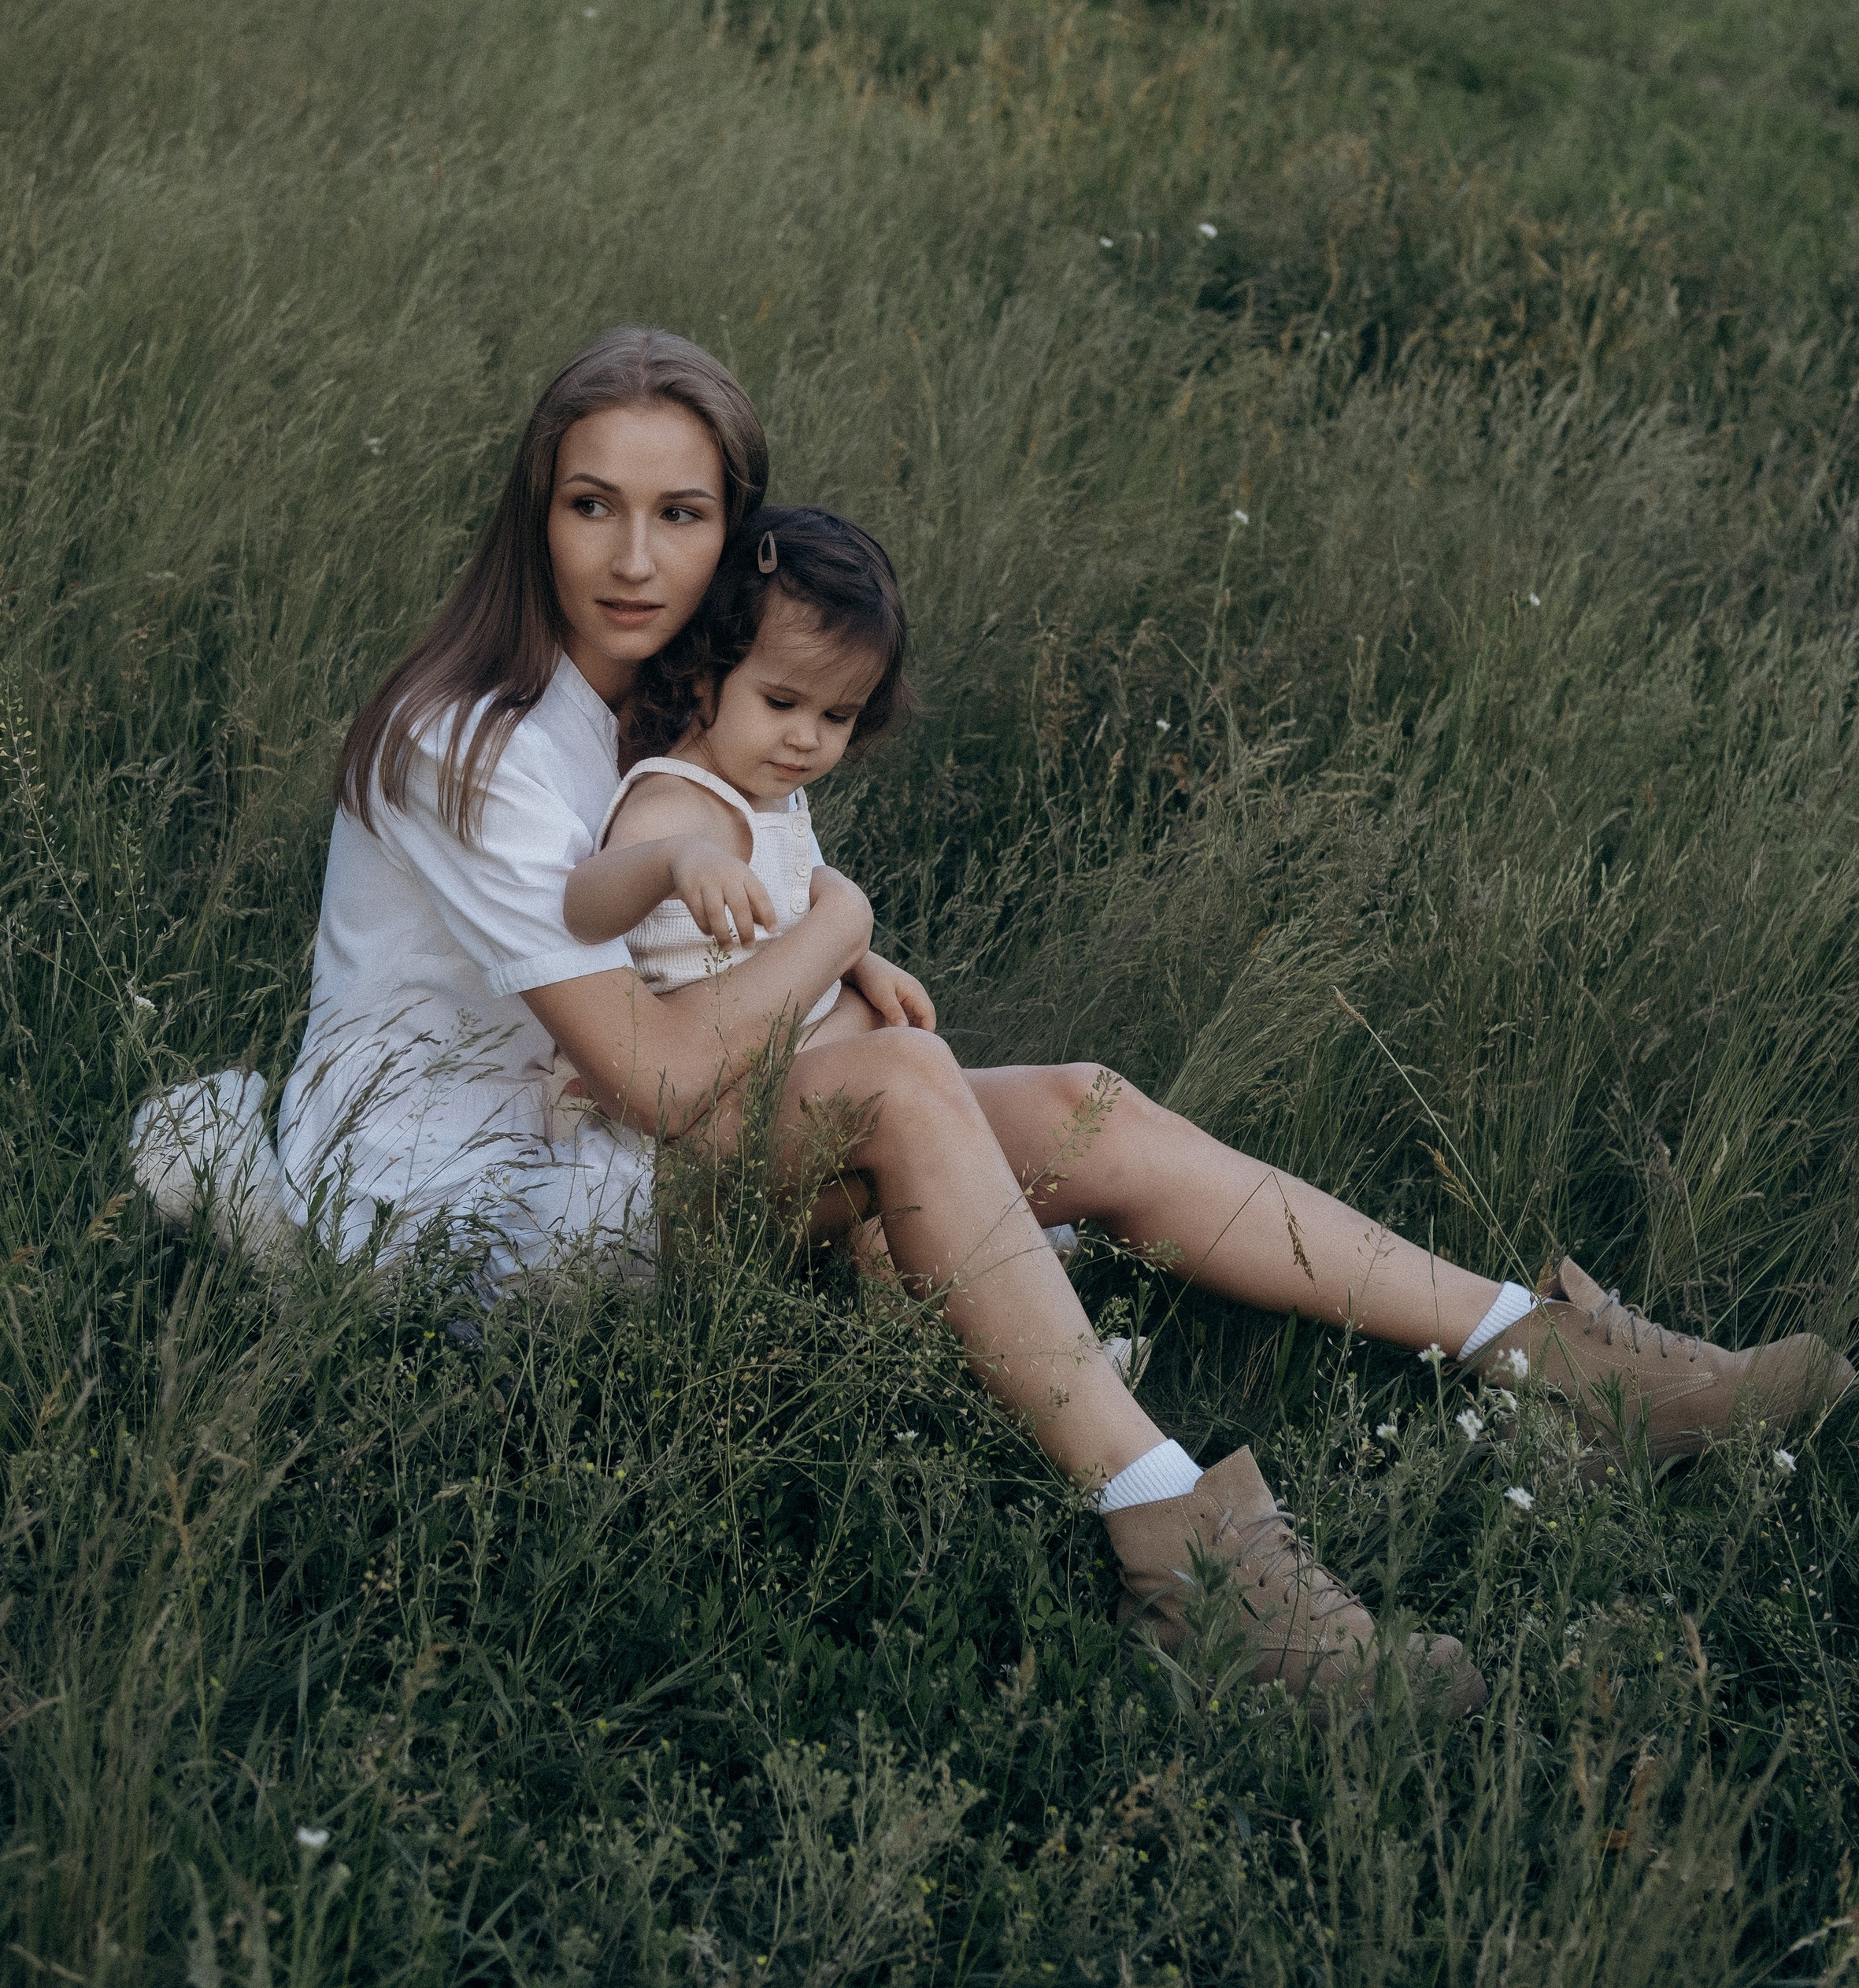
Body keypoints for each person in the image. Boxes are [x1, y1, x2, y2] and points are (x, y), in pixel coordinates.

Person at [133, 327, 1853, 1718]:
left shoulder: (640, 697)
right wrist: (838, 933)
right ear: (536, 516)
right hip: (444, 1195)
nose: (635, 555)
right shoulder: (485, 743)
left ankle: (1550, 1361)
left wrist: (815, 938)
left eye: (680, 514)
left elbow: (710, 855)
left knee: (1079, 1105)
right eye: (593, 508)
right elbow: (663, 1078)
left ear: (739, 537)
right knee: (895, 1089)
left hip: (580, 1123)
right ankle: (1185, 1556)